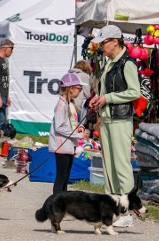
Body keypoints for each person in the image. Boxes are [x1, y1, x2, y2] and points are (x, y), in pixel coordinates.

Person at [88, 25, 140, 197]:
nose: (101, 47)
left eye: (103, 43)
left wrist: (107, 98)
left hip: (120, 119)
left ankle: (127, 207)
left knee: (121, 164)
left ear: (115, 42)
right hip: (107, 118)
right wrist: (98, 98)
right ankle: (111, 203)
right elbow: (106, 91)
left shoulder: (127, 63)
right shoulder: (109, 63)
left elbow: (134, 92)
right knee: (108, 164)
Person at [49, 73, 86, 195]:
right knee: (61, 176)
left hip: (69, 145)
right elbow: (59, 127)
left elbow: (71, 122)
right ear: (70, 88)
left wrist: (79, 127)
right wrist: (78, 136)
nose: (80, 91)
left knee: (66, 176)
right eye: (78, 88)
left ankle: (63, 202)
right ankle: (56, 202)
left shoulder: (69, 104)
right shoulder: (61, 105)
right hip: (62, 146)